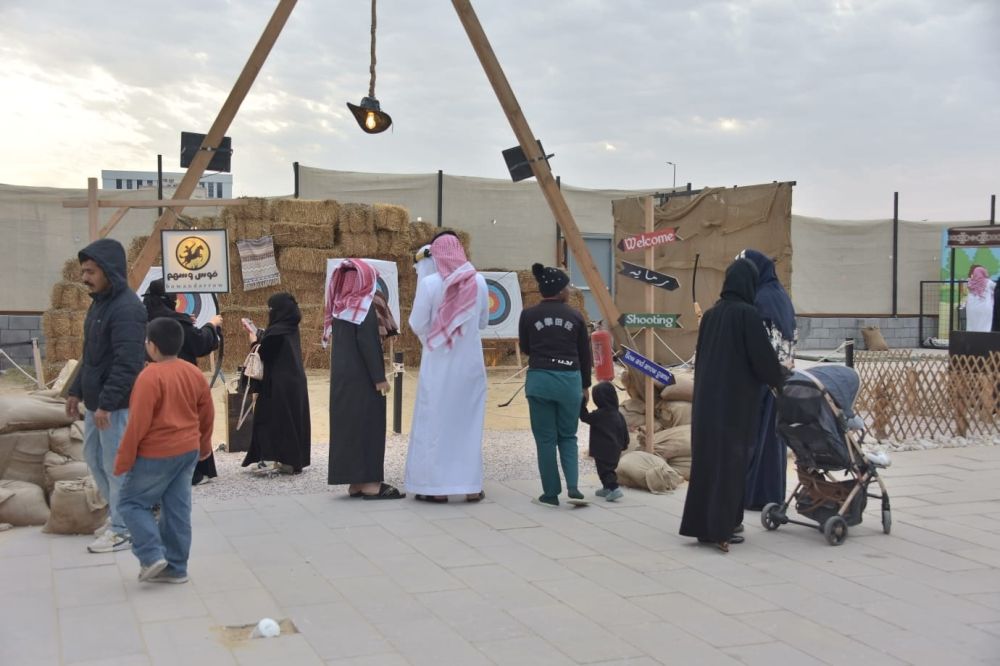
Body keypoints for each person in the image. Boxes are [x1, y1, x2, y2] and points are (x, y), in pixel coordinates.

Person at [679, 258, 786, 552]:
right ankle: (721, 528)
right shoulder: (747, 315)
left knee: (707, 465)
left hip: (706, 404)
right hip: (735, 405)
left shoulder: (712, 315)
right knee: (730, 466)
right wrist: (781, 378)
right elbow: (762, 360)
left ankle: (702, 525)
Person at [113, 317, 214, 584]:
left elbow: (137, 423)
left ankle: (151, 554)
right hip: (188, 450)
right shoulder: (193, 372)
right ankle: (176, 568)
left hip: (157, 453)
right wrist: (204, 445)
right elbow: (207, 413)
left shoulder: (149, 376)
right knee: (177, 509)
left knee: (130, 502)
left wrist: (124, 458)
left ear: (152, 346)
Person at [65, 238, 146, 554]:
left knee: (117, 466)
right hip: (98, 404)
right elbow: (90, 355)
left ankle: (124, 528)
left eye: (90, 271)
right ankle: (118, 517)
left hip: (116, 407)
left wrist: (109, 404)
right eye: (83, 271)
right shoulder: (100, 304)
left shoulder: (127, 308)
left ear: (109, 271)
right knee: (94, 459)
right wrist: (75, 391)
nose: (84, 277)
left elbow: (128, 363)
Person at [406, 232, 489, 503]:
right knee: (468, 424)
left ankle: (435, 490)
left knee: (435, 424)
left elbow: (417, 323)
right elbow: (483, 323)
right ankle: (471, 486)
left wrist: (436, 336)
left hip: (438, 366)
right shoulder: (479, 281)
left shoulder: (430, 283)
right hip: (470, 366)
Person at [324, 260, 404, 499]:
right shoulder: (364, 307)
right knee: (368, 427)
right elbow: (368, 344)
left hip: (343, 381)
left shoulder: (340, 307)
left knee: (348, 429)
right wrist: (379, 378)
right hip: (363, 380)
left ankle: (354, 482)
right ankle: (370, 483)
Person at [519, 263, 592, 507]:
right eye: (567, 287)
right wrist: (586, 385)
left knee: (545, 439)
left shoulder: (528, 315)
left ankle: (550, 494)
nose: (570, 290)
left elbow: (525, 348)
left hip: (539, 380)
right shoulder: (575, 316)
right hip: (569, 381)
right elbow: (585, 354)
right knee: (568, 436)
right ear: (560, 291)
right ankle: (573, 486)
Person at [142, 278, 223, 485]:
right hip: (180, 383)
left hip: (153, 384)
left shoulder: (145, 320)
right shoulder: (174, 323)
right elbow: (199, 343)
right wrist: (211, 325)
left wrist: (186, 320)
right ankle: (195, 472)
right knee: (187, 425)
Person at [738, 249, 796, 511]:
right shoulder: (779, 295)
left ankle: (757, 495)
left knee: (758, 440)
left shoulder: (762, 299)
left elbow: (762, 344)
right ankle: (771, 493)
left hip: (763, 380)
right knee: (772, 442)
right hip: (781, 379)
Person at [240, 293, 311, 474]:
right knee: (292, 420)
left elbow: (265, 354)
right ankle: (292, 460)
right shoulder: (289, 326)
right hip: (294, 381)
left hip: (278, 384)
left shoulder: (277, 330)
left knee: (277, 420)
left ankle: (284, 459)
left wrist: (254, 342)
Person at [580, 381, 629, 501]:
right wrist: (624, 444)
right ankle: (607, 488)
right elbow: (624, 432)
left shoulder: (599, 415)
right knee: (609, 469)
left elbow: (584, 417)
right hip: (616, 449)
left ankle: (614, 489)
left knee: (605, 471)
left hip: (602, 450)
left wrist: (581, 403)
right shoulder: (618, 415)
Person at [964, 265, 995, 333]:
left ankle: (971, 340)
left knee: (972, 325)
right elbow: (995, 288)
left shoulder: (970, 283)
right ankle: (984, 341)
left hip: (971, 308)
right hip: (985, 308)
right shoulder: (989, 282)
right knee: (985, 325)